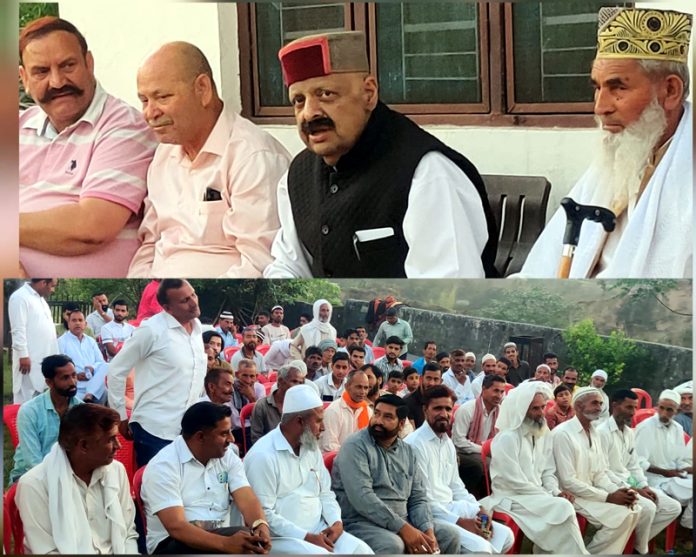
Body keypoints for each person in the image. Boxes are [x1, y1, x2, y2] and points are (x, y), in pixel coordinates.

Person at [264, 30, 497, 279]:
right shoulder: (296, 176)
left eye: (326, 95)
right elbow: (288, 266)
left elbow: (448, 292)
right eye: (298, 101)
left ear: (369, 93)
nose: (309, 113)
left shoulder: (426, 173)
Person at [520, 7, 692, 278]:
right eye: (597, 88)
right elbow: (544, 269)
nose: (600, 108)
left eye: (618, 88)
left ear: (670, 91)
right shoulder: (619, 159)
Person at [129, 41, 290, 277]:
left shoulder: (253, 156)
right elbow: (149, 244)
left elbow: (260, 263)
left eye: (162, 97)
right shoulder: (163, 155)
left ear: (203, 89)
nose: (149, 113)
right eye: (144, 100)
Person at [19, 17, 156, 277]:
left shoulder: (124, 127)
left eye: (67, 65)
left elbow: (91, 229)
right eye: (41, 71)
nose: (57, 82)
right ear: (24, 78)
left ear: (89, 63)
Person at [244, 385, 373, 554]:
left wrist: (336, 523)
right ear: (299, 421)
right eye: (318, 421)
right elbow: (263, 513)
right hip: (282, 538)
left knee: (362, 551)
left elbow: (325, 492)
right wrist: (306, 537)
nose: (323, 428)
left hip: (320, 529)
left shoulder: (310, 447)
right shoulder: (263, 456)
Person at [332, 394, 461, 553]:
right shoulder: (355, 446)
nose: (378, 421)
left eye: (387, 417)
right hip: (362, 522)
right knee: (393, 545)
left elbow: (418, 497)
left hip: (404, 520)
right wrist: (404, 529)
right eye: (377, 414)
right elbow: (362, 498)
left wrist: (427, 529)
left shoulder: (407, 451)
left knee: (449, 536)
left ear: (401, 424)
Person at [141, 402, 273, 554]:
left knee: (251, 542)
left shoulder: (227, 456)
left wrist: (260, 525)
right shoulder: (163, 466)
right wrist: (226, 544)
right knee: (245, 546)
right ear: (200, 437)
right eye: (224, 433)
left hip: (220, 534)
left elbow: (247, 499)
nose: (231, 439)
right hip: (172, 543)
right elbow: (176, 527)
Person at [479, 381, 589, 554]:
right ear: (522, 410)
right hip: (511, 497)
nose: (540, 414)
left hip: (536, 495)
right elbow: (513, 482)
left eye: (543, 407)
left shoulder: (543, 433)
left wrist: (555, 491)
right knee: (563, 507)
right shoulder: (507, 438)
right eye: (535, 409)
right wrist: (547, 495)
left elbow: (548, 471)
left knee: (563, 505)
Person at [108, 279, 207, 466]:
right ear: (167, 308)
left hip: (187, 430)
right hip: (155, 431)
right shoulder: (151, 330)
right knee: (155, 492)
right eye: (184, 300)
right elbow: (115, 370)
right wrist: (120, 415)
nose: (193, 302)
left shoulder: (197, 327)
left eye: (193, 294)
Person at [406, 385, 515, 554]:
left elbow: (456, 485)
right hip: (431, 515)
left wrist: (479, 509)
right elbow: (422, 501)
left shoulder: (446, 442)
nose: (444, 414)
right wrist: (460, 521)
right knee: (482, 549)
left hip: (452, 507)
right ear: (425, 410)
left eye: (448, 409)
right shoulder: (415, 444)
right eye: (437, 408)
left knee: (505, 536)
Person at [15, 404, 138, 554]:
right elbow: (46, 551)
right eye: (111, 440)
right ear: (84, 445)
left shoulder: (116, 471)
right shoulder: (34, 485)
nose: (118, 446)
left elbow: (128, 535)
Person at [550, 387, 641, 554]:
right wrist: (608, 497)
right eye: (594, 403)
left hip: (591, 492)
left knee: (633, 508)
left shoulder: (595, 432)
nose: (599, 407)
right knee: (623, 516)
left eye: (600, 403)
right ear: (578, 406)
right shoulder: (563, 434)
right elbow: (568, 481)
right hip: (571, 496)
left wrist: (618, 491)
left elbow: (600, 472)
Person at [598, 389, 682, 553]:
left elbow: (634, 464)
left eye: (635, 408)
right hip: (610, 486)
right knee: (649, 508)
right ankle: (639, 550)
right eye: (629, 407)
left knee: (673, 507)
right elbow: (602, 471)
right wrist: (634, 489)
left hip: (631, 482)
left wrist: (644, 486)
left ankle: (632, 543)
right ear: (615, 406)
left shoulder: (629, 433)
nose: (633, 413)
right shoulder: (601, 433)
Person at [9, 354, 82, 484]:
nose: (72, 382)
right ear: (49, 382)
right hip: (30, 476)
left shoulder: (81, 409)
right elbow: (33, 462)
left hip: (69, 474)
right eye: (65, 378)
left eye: (74, 375)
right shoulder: (29, 411)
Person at [635, 389, 693, 530]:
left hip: (671, 476)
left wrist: (686, 469)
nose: (664, 413)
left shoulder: (678, 429)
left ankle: (687, 524)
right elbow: (638, 462)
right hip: (651, 479)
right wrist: (666, 472)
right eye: (662, 408)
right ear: (657, 406)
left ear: (676, 411)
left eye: (669, 410)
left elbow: (679, 459)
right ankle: (686, 526)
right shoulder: (646, 427)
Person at [452, 374, 505, 500]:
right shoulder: (467, 409)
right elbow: (458, 441)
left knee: (505, 463)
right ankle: (469, 499)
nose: (499, 395)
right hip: (462, 452)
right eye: (495, 390)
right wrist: (484, 450)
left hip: (487, 451)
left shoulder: (501, 411)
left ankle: (494, 500)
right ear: (484, 389)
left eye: (502, 392)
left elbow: (501, 438)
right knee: (484, 464)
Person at [9, 278, 58, 403]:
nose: (53, 290)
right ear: (43, 282)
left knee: (41, 398)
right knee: (25, 398)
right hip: (28, 360)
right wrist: (23, 355)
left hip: (45, 357)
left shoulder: (41, 300)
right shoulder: (20, 297)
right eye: (52, 286)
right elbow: (18, 330)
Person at [57, 309, 109, 403]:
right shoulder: (61, 342)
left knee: (107, 365)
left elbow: (101, 362)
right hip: (74, 384)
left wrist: (92, 368)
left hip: (93, 382)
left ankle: (90, 394)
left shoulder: (91, 341)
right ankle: (89, 395)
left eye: (80, 320)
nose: (77, 323)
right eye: (74, 320)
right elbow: (60, 366)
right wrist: (75, 375)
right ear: (68, 323)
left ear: (85, 324)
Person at [251, 363, 306, 444]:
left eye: (300, 383)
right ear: (280, 381)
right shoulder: (262, 406)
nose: (298, 386)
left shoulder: (302, 406)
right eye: (294, 381)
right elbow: (256, 438)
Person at [320, 369, 372, 453]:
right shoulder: (333, 410)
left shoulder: (368, 411)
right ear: (347, 387)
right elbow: (329, 445)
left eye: (366, 388)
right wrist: (353, 455)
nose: (363, 392)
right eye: (359, 387)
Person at [231, 359, 266, 454]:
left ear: (257, 376)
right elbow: (235, 422)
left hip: (256, 426)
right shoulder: (230, 389)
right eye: (245, 376)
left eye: (252, 376)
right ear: (237, 374)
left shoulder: (259, 388)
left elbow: (263, 415)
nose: (248, 380)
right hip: (238, 429)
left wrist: (252, 398)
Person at [403, 363, 444, 429]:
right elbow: (411, 434)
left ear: (441, 381)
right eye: (428, 378)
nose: (431, 383)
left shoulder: (443, 402)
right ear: (421, 378)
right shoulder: (408, 402)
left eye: (436, 379)